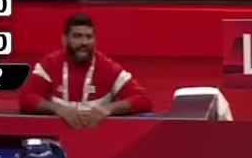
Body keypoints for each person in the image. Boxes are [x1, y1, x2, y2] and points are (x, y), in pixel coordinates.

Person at [18, 13, 153, 128]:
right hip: (56, 138)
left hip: (99, 140)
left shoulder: (108, 67)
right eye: (77, 36)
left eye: (89, 37)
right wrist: (57, 109)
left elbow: (143, 99)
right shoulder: (50, 64)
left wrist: (108, 109)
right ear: (64, 39)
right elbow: (26, 98)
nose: (84, 42)